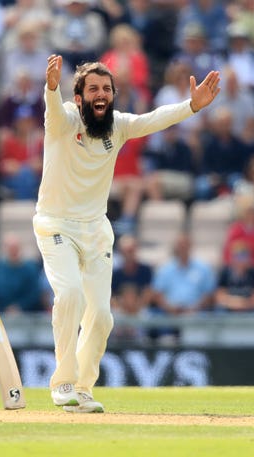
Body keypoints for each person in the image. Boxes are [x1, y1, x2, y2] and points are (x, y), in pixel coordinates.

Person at [34, 54, 220, 413]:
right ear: (80, 98)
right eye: (93, 89)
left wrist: (192, 107)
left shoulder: (118, 126)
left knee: (102, 316)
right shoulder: (63, 121)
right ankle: (63, 382)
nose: (101, 94)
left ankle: (83, 389)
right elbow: (53, 109)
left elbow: (152, 120)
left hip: (96, 231)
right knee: (70, 294)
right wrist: (51, 86)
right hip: (55, 224)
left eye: (106, 88)